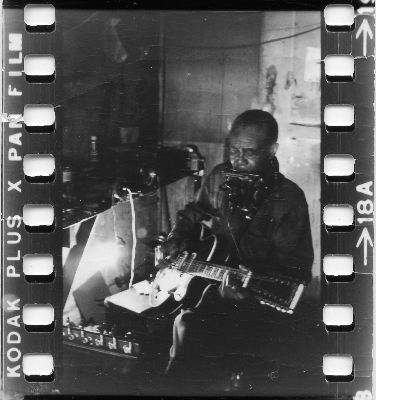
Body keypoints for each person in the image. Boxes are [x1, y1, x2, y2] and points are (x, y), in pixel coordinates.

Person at [158, 110, 314, 393]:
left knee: (191, 331)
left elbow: (297, 273)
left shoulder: (288, 200)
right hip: (216, 286)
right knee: (179, 325)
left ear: (272, 151)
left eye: (249, 153)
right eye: (233, 149)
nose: (237, 160)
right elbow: (196, 210)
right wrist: (175, 236)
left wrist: (249, 288)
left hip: (258, 301)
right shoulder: (219, 176)